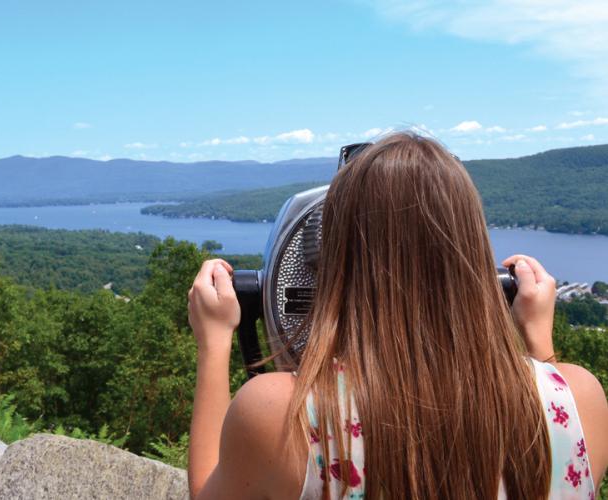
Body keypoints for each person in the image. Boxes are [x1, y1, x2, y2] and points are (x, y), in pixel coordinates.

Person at [186, 132, 608, 499]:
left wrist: (216, 341)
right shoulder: (583, 399)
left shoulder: (279, 416)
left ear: (337, 263)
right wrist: (538, 340)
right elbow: (554, 461)